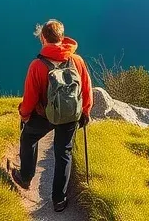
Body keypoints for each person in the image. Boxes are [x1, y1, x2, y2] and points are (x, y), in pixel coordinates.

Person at [11, 19, 93, 212]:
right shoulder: (77, 60)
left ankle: (26, 177)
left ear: (43, 38)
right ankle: (59, 200)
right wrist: (86, 111)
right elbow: (87, 89)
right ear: (62, 38)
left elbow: (30, 97)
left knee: (29, 137)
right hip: (71, 116)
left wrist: (24, 115)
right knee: (63, 153)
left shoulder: (37, 65)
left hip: (45, 116)